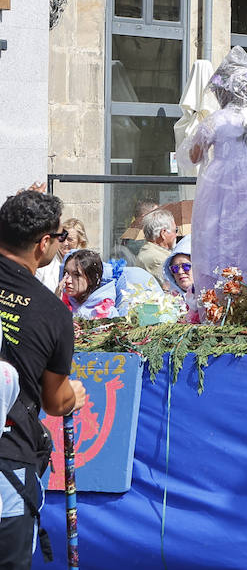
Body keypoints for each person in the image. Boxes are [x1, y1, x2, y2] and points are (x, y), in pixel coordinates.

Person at [0, 190, 87, 566]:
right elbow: (55, 401)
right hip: (8, 463)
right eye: (60, 237)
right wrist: (74, 396)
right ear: (44, 243)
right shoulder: (52, 312)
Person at [181, 47, 247, 291]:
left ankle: (223, 293)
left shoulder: (216, 120)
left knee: (221, 239)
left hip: (222, 187)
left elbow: (194, 156)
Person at [36, 218, 86, 294]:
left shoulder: (85, 264)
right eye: (62, 238)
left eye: (70, 240)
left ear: (80, 241)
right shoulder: (46, 261)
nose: (65, 243)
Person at [135, 209, 178, 279]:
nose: (176, 235)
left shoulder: (148, 251)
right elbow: (171, 286)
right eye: (175, 230)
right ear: (163, 233)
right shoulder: (159, 259)